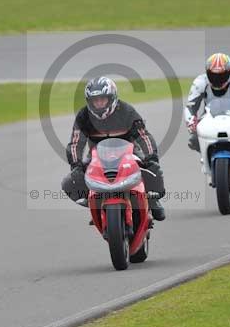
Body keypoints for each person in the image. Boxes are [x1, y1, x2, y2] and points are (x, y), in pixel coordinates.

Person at [61, 77, 166, 221]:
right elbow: (75, 143)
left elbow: (144, 136)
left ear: (112, 98)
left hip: (130, 152)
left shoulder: (127, 111)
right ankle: (96, 203)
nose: (98, 104)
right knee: (69, 183)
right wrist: (76, 165)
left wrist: (151, 159)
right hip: (96, 155)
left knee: (153, 171)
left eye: (102, 99)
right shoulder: (83, 116)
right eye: (95, 101)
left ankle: (153, 201)